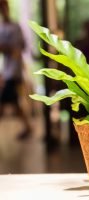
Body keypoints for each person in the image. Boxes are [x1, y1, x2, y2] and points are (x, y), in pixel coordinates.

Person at [0, 0, 32, 139]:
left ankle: (28, 127)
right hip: (7, 70)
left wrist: (8, 48)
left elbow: (20, 48)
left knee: (7, 101)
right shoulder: (2, 28)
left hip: (14, 71)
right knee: (12, 101)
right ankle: (27, 127)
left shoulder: (15, 27)